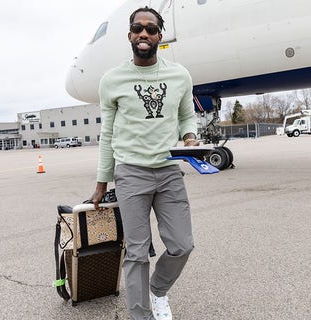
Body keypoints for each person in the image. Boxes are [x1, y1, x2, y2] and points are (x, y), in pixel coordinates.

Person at [91, 6, 199, 320]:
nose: (143, 34)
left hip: (168, 170)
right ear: (129, 35)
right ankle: (141, 315)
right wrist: (102, 181)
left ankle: (158, 290)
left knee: (182, 245)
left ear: (159, 37)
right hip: (130, 172)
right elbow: (107, 134)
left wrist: (190, 137)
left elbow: (186, 115)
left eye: (150, 29)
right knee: (137, 253)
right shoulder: (112, 80)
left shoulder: (179, 75)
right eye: (138, 28)